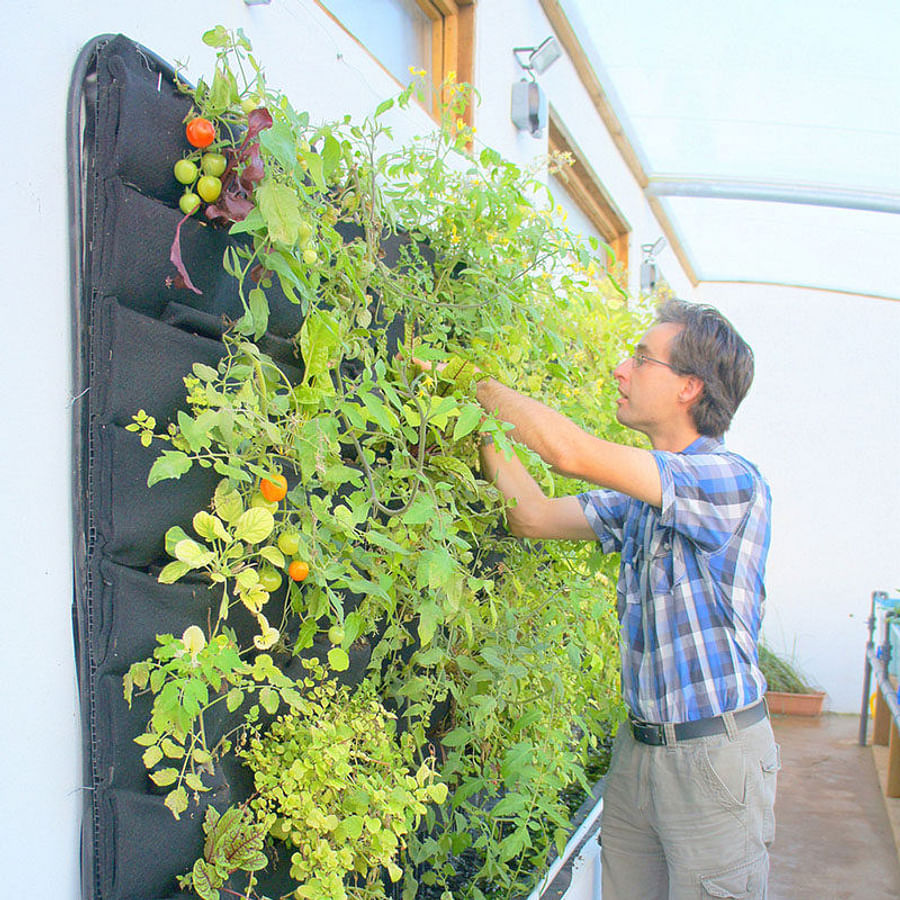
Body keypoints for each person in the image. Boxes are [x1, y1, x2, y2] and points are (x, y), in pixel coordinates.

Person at [470, 298, 779, 899]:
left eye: (641, 359)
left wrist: (478, 386)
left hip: (714, 756)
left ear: (689, 386)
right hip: (640, 750)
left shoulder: (729, 479)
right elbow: (530, 516)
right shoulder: (643, 499)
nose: (621, 369)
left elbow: (571, 454)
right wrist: (476, 423)